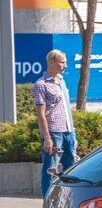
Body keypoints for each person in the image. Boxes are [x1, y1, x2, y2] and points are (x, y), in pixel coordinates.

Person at [33, 49, 77, 197]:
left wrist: (72, 131)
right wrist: (47, 138)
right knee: (50, 170)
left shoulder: (61, 81)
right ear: (51, 62)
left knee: (71, 169)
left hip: (69, 131)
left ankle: (70, 202)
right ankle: (48, 204)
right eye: (62, 62)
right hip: (54, 133)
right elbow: (41, 114)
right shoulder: (41, 85)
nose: (65, 65)